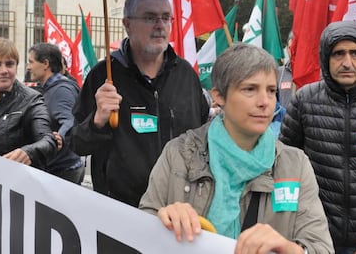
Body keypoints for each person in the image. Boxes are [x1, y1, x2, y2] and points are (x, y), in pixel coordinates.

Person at [139, 43, 334, 254]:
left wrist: (289, 249)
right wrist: (165, 219)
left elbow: (320, 247)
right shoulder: (178, 153)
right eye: (250, 89)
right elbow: (141, 229)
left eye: (271, 91)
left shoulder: (295, 165)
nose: (265, 102)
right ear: (219, 96)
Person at [71, 0, 209, 206]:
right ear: (127, 24)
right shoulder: (103, 75)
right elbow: (76, 144)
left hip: (180, 210)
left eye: (166, 18)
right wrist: (97, 121)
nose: (160, 25)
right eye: (149, 18)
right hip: (123, 212)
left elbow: (203, 137)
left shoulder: (186, 75)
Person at [279, 20, 356, 253]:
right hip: (315, 238)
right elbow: (284, 168)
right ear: (326, 57)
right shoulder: (305, 101)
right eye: (338, 54)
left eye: (355, 53)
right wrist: (292, 226)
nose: (347, 62)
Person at [0, 37, 57, 168]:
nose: (4, 70)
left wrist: (28, 152)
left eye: (9, 64)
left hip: (17, 184)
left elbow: (48, 140)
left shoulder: (31, 100)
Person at [27, 43, 85, 184]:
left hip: (64, 170)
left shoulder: (60, 90)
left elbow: (69, 121)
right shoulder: (51, 88)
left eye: (31, 62)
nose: (28, 67)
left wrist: (59, 138)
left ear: (45, 64)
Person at [277, 31, 295, 110]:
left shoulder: (315, 73)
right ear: (287, 49)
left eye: (296, 48)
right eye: (291, 48)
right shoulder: (278, 73)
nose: (293, 51)